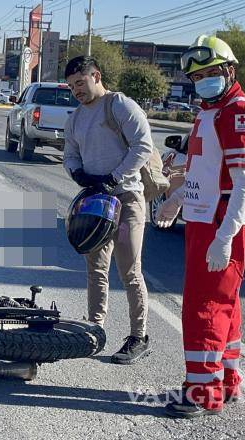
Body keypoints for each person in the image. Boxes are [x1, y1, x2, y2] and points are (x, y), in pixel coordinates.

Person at [157, 35, 245, 418]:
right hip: (205, 217)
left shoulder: (239, 112)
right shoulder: (210, 110)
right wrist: (177, 197)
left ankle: (202, 392)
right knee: (225, 305)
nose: (203, 80)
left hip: (221, 222)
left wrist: (224, 237)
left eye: (210, 72)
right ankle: (225, 380)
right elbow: (203, 171)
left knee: (204, 307)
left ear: (229, 70)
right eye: (197, 75)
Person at [63, 56, 153, 365]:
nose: (77, 90)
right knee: (95, 269)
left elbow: (143, 146)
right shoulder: (75, 118)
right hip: (95, 204)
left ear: (96, 76)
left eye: (81, 82)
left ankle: (138, 336)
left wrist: (113, 177)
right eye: (72, 85)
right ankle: (95, 329)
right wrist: (79, 175)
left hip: (126, 199)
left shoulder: (119, 105)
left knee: (129, 270)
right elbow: (70, 155)